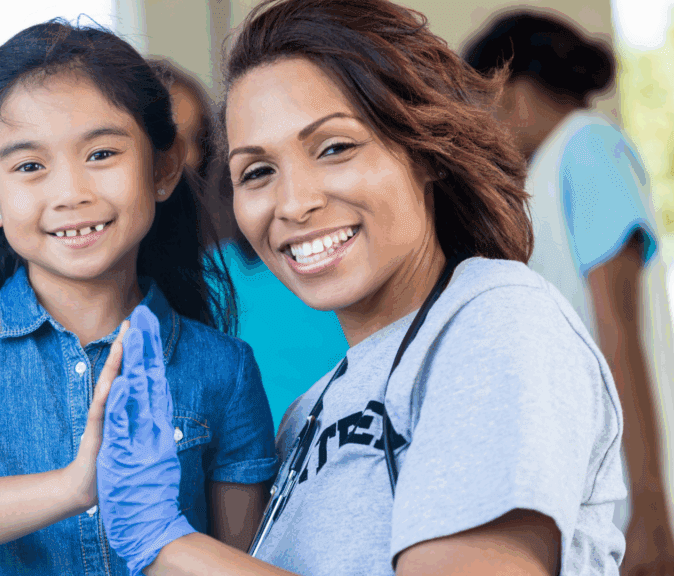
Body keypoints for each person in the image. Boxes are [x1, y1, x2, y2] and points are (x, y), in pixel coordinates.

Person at [93, 0, 629, 574]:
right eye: (257, 171)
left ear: (426, 151)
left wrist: (168, 543)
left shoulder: (494, 319)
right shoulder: (309, 415)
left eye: (335, 148)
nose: (294, 203)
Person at [0, 20, 278, 575]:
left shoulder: (224, 369)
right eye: (30, 166)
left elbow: (233, 563)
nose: (71, 194)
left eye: (102, 154)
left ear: (162, 168)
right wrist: (75, 486)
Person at [463, 14, 673, 574]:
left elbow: (619, 333)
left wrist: (652, 507)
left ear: (507, 90)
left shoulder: (587, 147)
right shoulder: (547, 172)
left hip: (634, 485)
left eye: (479, 105)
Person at [149, 57, 351, 428]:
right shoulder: (195, 288)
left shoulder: (256, 263)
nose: (184, 159)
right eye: (259, 170)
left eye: (336, 148)